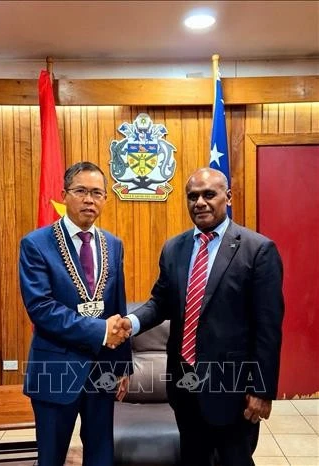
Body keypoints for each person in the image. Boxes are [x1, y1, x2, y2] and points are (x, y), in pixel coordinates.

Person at [122, 167, 284, 466]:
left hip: (233, 389)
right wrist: (130, 323)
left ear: (228, 197)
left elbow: (268, 329)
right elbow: (161, 302)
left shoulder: (258, 250)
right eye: (192, 196)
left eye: (209, 194)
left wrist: (261, 390)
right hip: (184, 385)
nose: (200, 202)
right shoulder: (174, 248)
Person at [19, 161, 132, 466]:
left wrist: (123, 366)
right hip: (55, 369)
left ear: (105, 199)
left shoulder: (113, 244)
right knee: (51, 458)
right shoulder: (35, 244)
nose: (89, 199)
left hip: (102, 370)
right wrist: (99, 332)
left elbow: (117, 307)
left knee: (101, 456)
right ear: (64, 195)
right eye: (80, 190)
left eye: (97, 193)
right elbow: (41, 308)